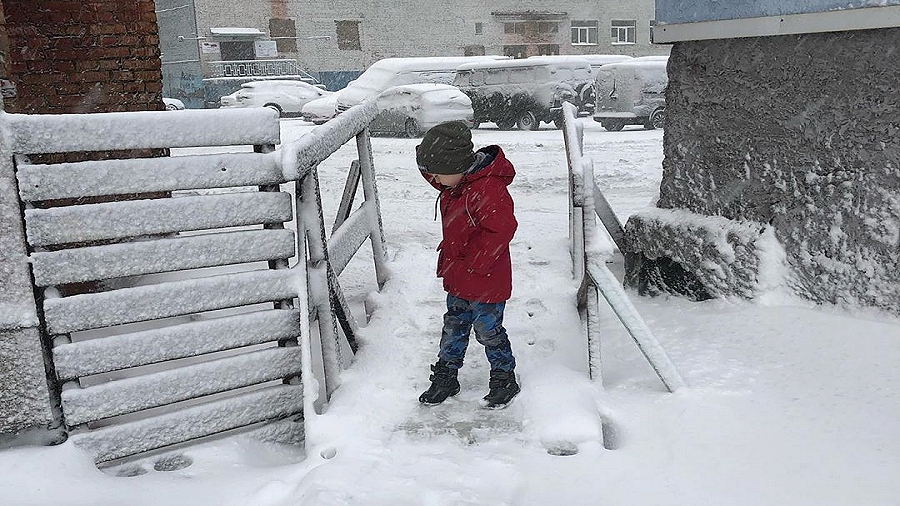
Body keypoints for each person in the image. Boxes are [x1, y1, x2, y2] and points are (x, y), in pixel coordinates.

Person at [415, 121, 520, 408]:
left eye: (438, 173)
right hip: (460, 275)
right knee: (454, 326)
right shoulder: (455, 182)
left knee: (488, 329)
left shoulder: (487, 189)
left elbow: (502, 228)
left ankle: (503, 376)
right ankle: (447, 376)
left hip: (486, 278)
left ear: (457, 166)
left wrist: (476, 262)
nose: (433, 178)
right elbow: (434, 170)